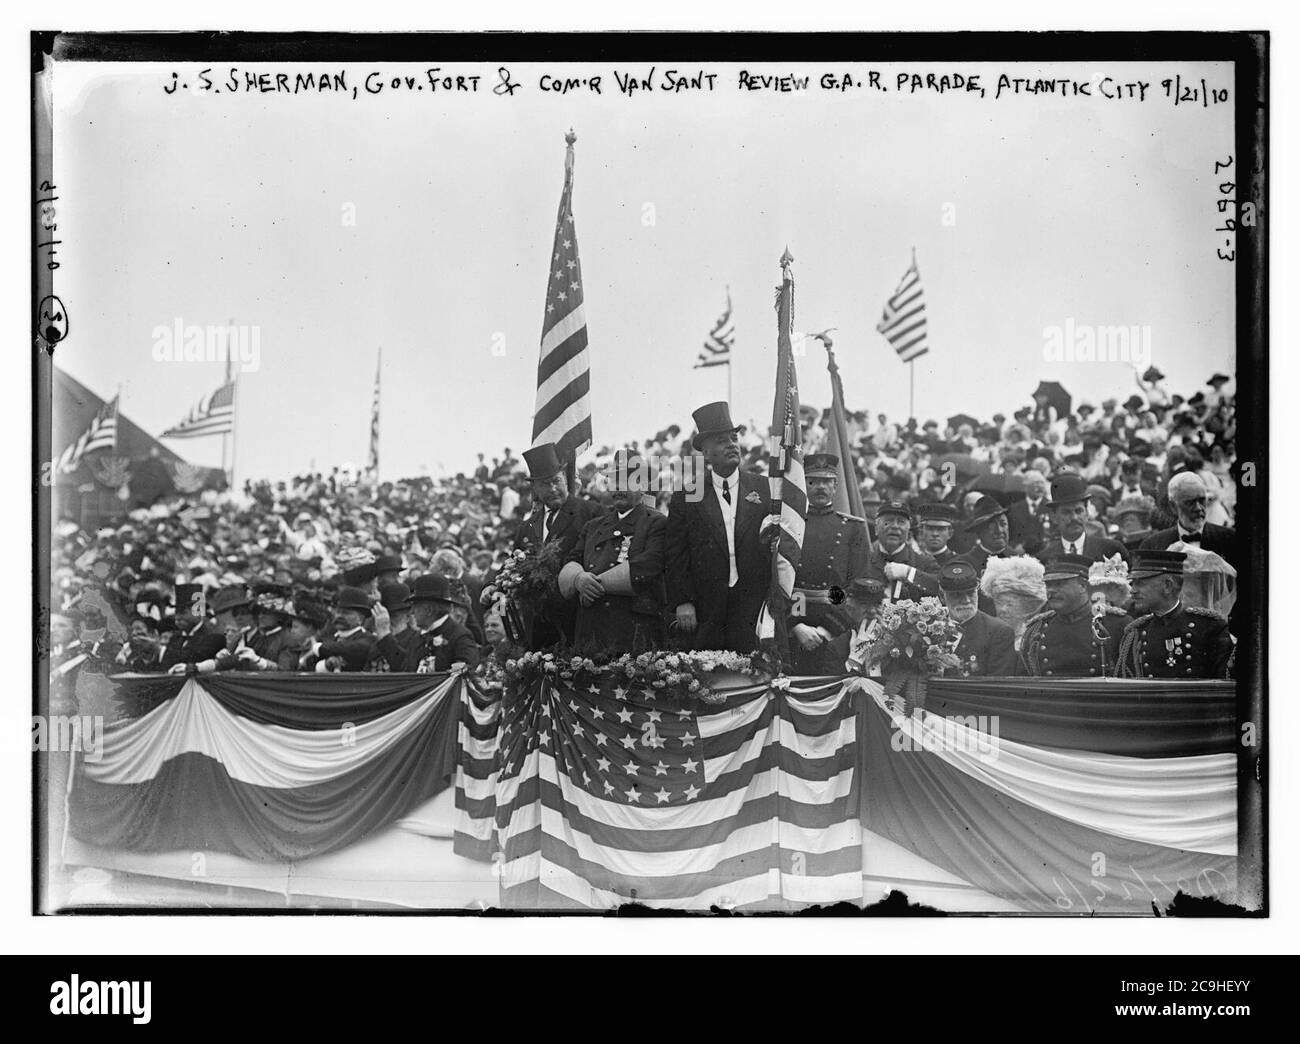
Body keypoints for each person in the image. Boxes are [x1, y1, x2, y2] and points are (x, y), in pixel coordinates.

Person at [665, 401, 773, 653]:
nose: (732, 445)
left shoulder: (765, 488)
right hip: (706, 607)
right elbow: (675, 553)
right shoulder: (688, 494)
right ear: (705, 451)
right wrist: (683, 601)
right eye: (722, 441)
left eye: (734, 438)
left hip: (754, 605)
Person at [558, 449, 667, 654]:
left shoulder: (656, 522)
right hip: (591, 633)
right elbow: (572, 558)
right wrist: (578, 579)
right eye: (614, 481)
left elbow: (650, 565)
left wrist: (593, 585)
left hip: (634, 634)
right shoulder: (593, 526)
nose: (618, 489)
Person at [783, 453, 871, 671]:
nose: (820, 487)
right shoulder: (788, 524)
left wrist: (826, 630)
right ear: (803, 484)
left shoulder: (852, 528)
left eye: (826, 482)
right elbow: (778, 581)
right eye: (813, 482)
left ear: (835, 486)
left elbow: (856, 587)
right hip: (795, 614)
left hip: (835, 622)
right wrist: (795, 626)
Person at [515, 442, 600, 649]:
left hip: (576, 618)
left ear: (564, 478)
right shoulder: (527, 526)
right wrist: (493, 585)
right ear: (534, 488)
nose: (553, 489)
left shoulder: (591, 512)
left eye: (556, 481)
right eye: (545, 484)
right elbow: (514, 562)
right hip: (538, 625)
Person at [1118, 550, 1233, 679]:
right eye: (1133, 583)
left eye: (1141, 583)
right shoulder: (1136, 632)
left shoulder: (1210, 628)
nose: (1133, 590)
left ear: (1168, 586)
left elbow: (1224, 685)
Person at [1017, 554, 1130, 677]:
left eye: (1059, 584)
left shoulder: (1115, 625)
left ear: (1083, 586)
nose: (1051, 590)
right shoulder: (1036, 630)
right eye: (1048, 585)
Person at [373, 574, 480, 672]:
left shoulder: (459, 636)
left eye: (415, 605)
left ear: (428, 610)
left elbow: (466, 674)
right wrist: (384, 636)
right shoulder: (419, 637)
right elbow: (405, 668)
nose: (412, 612)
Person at [1140, 471, 1238, 566]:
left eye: (1202, 500)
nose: (1198, 508)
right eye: (1190, 503)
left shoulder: (1230, 539)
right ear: (1173, 506)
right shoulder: (1153, 546)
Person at [939, 559, 1018, 677]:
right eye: (957, 595)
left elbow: (998, 686)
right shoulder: (928, 625)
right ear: (942, 596)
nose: (966, 600)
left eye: (970, 593)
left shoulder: (999, 632)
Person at [1035, 473, 1128, 564]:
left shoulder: (1112, 551)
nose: (1074, 517)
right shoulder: (1043, 559)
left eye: (1079, 511)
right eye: (1066, 512)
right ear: (1054, 517)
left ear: (1087, 513)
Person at [865, 501, 939, 603]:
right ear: (876, 529)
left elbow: (941, 588)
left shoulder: (924, 563)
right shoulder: (863, 561)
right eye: (888, 521)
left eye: (901, 522)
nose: (895, 526)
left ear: (908, 530)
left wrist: (909, 573)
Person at [305, 587, 376, 672]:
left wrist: (319, 648)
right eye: (338, 612)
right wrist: (326, 665)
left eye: (346, 613)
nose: (339, 616)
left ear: (360, 618)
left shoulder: (366, 638)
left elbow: (353, 649)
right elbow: (308, 665)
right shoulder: (329, 637)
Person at [161, 584, 227, 673]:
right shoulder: (175, 638)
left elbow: (192, 657)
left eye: (183, 612)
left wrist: (161, 650)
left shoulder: (214, 636)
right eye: (176, 613)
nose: (178, 617)